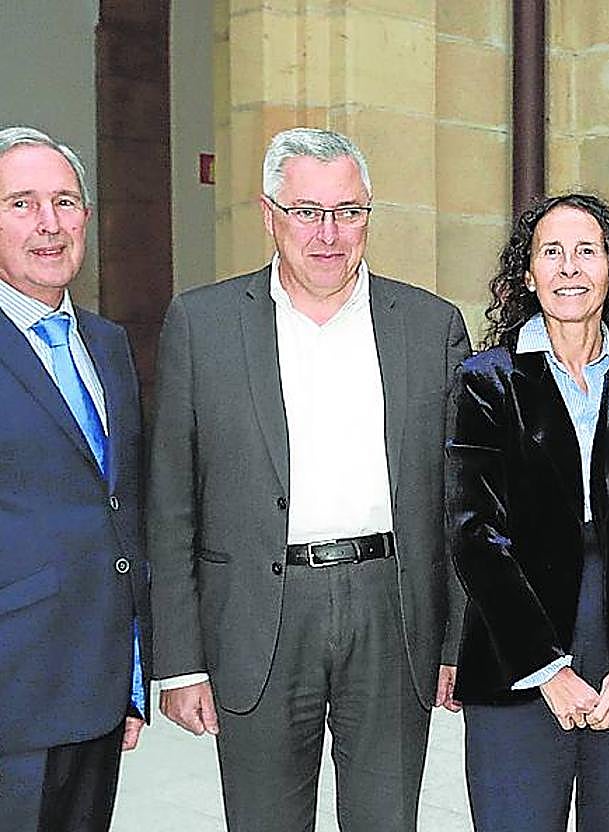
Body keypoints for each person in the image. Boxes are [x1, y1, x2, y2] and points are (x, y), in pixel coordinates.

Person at [147, 127, 469, 832]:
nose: (328, 233)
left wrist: (457, 639)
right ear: (269, 215)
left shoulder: (430, 326)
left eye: (348, 211)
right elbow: (171, 502)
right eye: (306, 211)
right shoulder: (202, 325)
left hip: (392, 609)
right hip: (258, 613)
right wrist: (179, 661)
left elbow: (461, 500)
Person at [446, 192, 609, 832]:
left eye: (587, 251)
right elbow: (474, 532)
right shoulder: (486, 380)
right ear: (528, 274)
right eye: (550, 252)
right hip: (516, 654)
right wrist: (545, 669)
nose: (569, 267)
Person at [0, 127, 149, 830]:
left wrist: (135, 670)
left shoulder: (108, 344)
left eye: (64, 201)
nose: (49, 224)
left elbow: (120, 509)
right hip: (14, 693)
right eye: (22, 203)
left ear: (87, 217)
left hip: (98, 685)